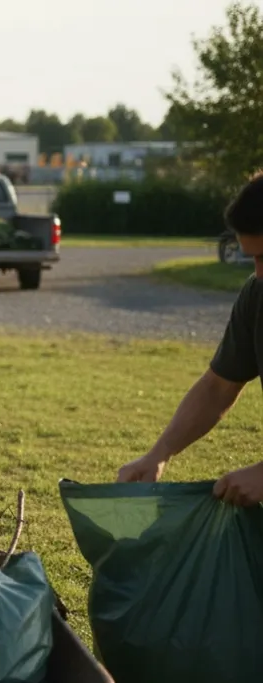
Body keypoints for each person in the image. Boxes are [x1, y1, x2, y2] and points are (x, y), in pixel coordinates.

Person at [118, 172, 263, 505]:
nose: (259, 273)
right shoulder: (257, 296)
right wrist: (159, 453)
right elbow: (218, 387)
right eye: (253, 258)